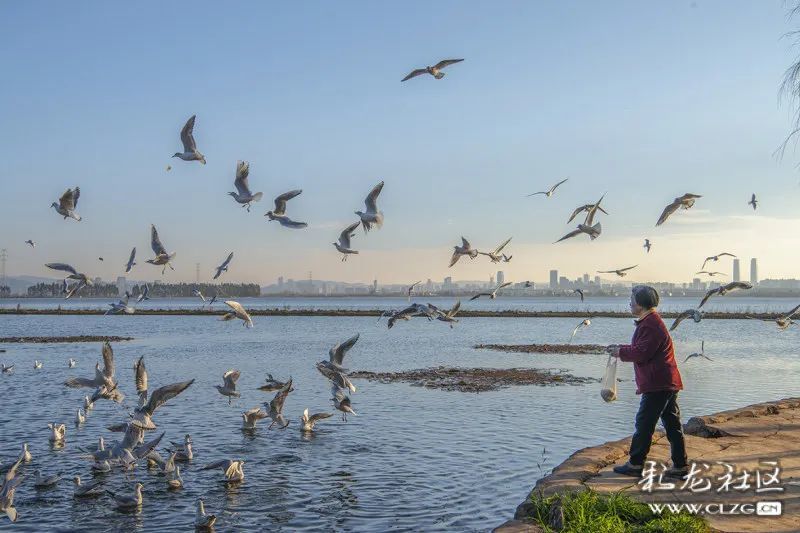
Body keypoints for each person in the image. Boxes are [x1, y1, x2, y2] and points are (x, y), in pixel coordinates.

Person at [606, 285, 688, 478]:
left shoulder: (650, 324)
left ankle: (635, 464)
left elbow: (642, 353)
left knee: (644, 422)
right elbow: (642, 347)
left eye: (632, 299)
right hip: (666, 380)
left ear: (641, 304)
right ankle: (680, 465)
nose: (629, 303)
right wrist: (620, 348)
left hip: (658, 383)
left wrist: (620, 352)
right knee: (671, 423)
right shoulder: (650, 321)